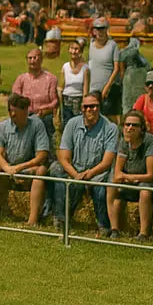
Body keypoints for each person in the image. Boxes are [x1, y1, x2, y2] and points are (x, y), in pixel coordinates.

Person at [46, 92, 118, 233]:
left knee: (101, 189)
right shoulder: (72, 124)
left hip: (98, 173)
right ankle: (61, 218)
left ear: (99, 107)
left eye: (94, 106)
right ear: (82, 108)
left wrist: (89, 174)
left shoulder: (111, 128)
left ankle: (103, 225)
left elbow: (107, 161)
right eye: (87, 106)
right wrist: (76, 175)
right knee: (56, 169)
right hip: (74, 170)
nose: (91, 109)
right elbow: (63, 156)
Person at [0, 93, 50, 227]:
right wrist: (8, 168)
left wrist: (20, 168)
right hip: (9, 167)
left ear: (26, 111)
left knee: (42, 170)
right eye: (10, 112)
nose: (12, 116)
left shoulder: (37, 125)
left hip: (28, 167)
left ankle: (32, 220)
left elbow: (42, 155)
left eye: (16, 113)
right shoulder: (3, 126)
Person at [107, 109, 153, 241]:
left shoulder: (151, 141)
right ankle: (114, 229)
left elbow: (150, 175)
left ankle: (143, 233)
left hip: (151, 182)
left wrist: (128, 177)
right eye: (126, 125)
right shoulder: (123, 141)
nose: (129, 128)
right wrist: (125, 178)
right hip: (131, 180)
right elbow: (117, 173)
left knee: (144, 192)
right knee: (111, 186)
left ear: (142, 129)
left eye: (134, 125)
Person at [10, 46, 59, 137]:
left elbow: (55, 101)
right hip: (26, 114)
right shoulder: (21, 79)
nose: (32, 60)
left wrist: (44, 109)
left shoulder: (51, 78)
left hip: (44, 115)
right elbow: (15, 98)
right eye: (30, 58)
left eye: (35, 57)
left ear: (41, 59)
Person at [59, 40, 89, 128]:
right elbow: (61, 86)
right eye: (72, 48)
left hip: (79, 100)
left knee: (78, 125)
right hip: (66, 100)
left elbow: (85, 89)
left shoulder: (85, 68)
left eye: (76, 49)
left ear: (80, 51)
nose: (73, 51)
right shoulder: (65, 67)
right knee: (67, 125)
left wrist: (84, 103)